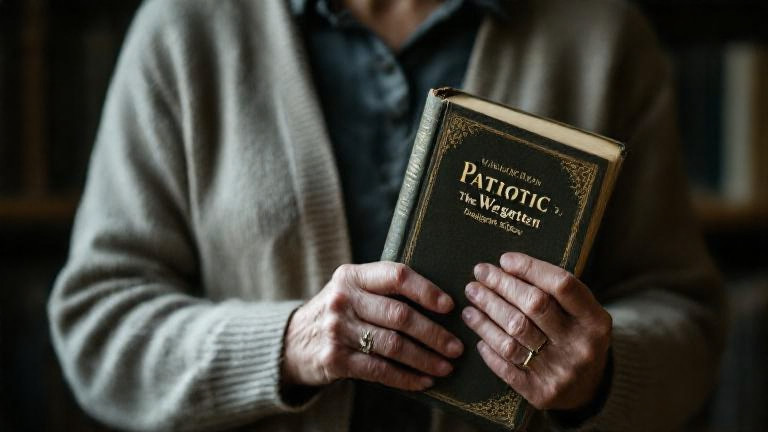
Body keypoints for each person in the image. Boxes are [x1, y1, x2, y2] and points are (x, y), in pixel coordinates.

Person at [48, 0, 724, 431]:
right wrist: (287, 343)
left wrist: (599, 373)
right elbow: (98, 326)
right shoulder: (187, 26)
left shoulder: (602, 33)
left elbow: (687, 322)